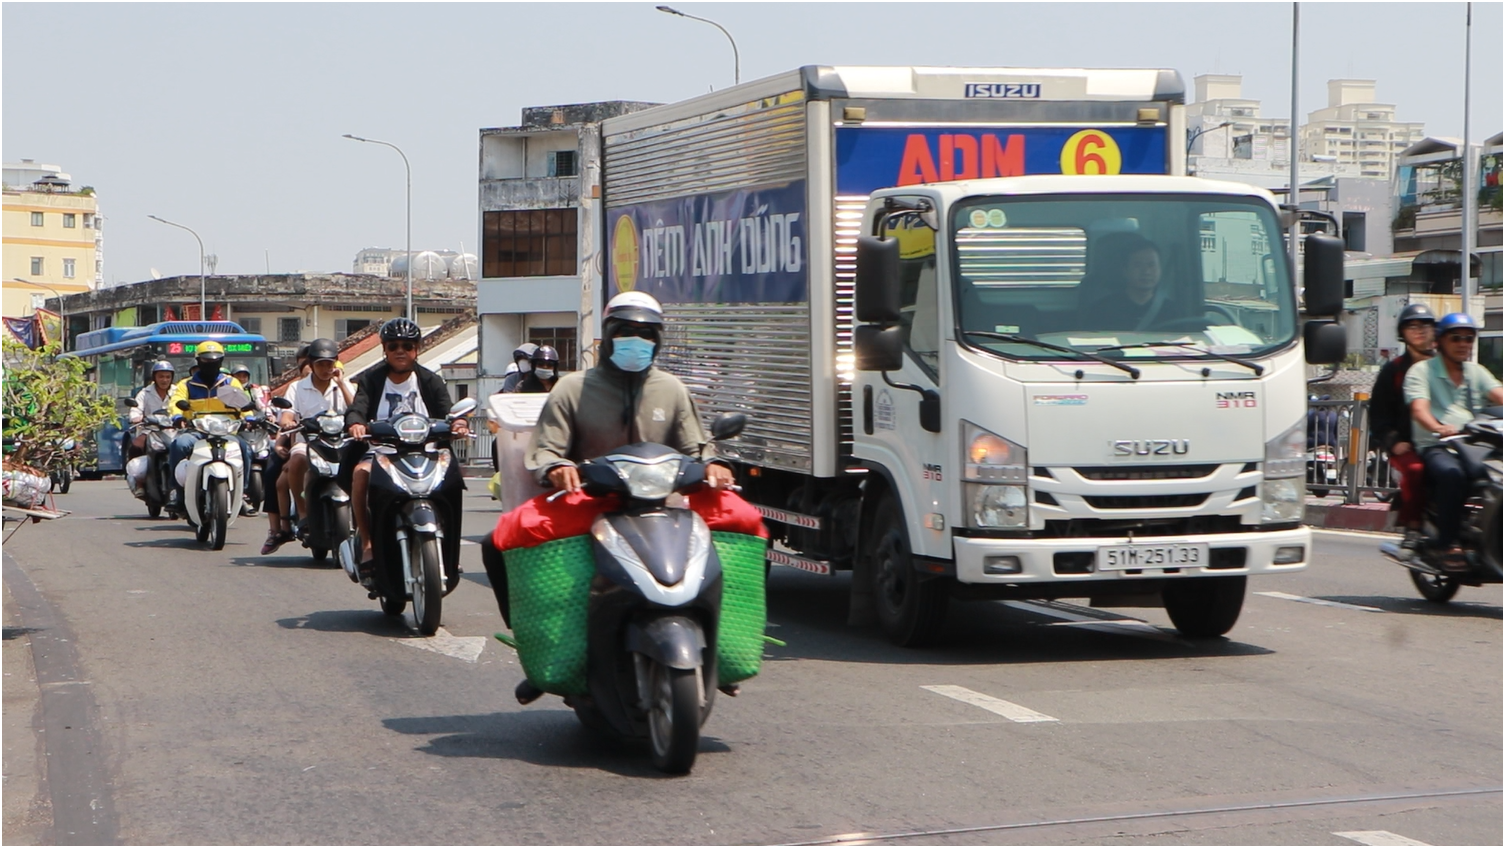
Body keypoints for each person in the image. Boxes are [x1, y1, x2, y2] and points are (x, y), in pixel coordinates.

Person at [490, 291, 743, 703]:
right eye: (624, 331)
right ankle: (538, 650)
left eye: (645, 334)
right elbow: (545, 449)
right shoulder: (572, 388)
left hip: (666, 504)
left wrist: (714, 464)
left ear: (658, 340)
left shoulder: (672, 390)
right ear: (607, 336)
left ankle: (725, 648)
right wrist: (557, 467)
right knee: (499, 539)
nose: (634, 340)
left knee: (746, 521)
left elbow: (699, 448)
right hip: (591, 503)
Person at [344, 318, 468, 568]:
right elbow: (358, 407)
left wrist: (459, 424)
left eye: (407, 345)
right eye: (393, 346)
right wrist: (356, 423)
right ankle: (367, 543)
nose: (400, 351)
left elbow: (449, 411)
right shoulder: (372, 379)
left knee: (452, 482)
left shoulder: (431, 380)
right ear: (385, 350)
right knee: (360, 474)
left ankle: (449, 549)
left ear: (417, 349)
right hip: (383, 451)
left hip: (427, 453)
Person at [1404, 312, 1504, 569]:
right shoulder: (1421, 371)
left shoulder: (1475, 371)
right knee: (1452, 475)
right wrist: (1438, 427)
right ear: (1439, 341)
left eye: (1468, 339)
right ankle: (1447, 544)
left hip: (1477, 443)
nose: (1463, 344)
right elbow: (1419, 409)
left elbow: (1498, 393)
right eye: (1456, 338)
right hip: (1439, 444)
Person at [261, 338, 355, 555]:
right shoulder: (297, 387)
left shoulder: (342, 385)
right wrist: (287, 422)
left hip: (339, 443)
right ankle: (303, 513)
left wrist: (341, 384)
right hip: (308, 442)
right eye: (321, 364)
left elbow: (356, 409)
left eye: (330, 364)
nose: (326, 369)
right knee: (297, 459)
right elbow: (287, 414)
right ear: (311, 364)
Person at [1367, 304, 1436, 553]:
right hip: (1406, 444)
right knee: (1416, 470)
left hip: (1444, 440)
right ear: (1402, 333)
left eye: (1425, 326)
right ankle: (1413, 528)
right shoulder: (1393, 371)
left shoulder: (1446, 366)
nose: (1419, 331)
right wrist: (1393, 441)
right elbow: (1378, 416)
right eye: (1412, 326)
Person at [164, 341, 252, 510]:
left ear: (221, 361)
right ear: (198, 361)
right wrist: (177, 416)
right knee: (179, 444)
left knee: (245, 449)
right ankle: (177, 492)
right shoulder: (186, 384)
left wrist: (250, 418)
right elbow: (175, 403)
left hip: (226, 432)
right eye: (206, 361)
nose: (211, 364)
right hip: (197, 431)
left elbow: (244, 403)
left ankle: (242, 494)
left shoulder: (231, 383)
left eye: (215, 361)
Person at [1083, 232, 1167, 331]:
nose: (1146, 272)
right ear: (1125, 270)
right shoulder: (1101, 310)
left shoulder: (1170, 310)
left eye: (1151, 265)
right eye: (1138, 265)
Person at [126, 361, 176, 459]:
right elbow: (135, 411)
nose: (164, 380)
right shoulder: (145, 393)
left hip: (173, 431)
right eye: (161, 376)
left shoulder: (177, 392)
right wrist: (138, 418)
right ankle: (132, 474)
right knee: (136, 447)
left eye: (168, 377)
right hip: (150, 431)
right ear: (154, 377)